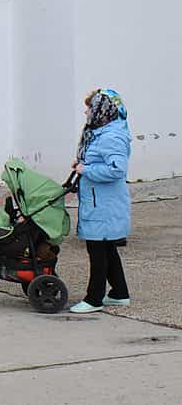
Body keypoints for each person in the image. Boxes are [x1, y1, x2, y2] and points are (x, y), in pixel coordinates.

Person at [70, 89, 132, 313]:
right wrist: (82, 163)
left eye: (89, 106)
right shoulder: (100, 132)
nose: (85, 111)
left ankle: (94, 298)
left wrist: (86, 169)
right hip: (100, 200)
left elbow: (117, 169)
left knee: (97, 250)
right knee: (106, 248)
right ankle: (119, 292)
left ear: (101, 110)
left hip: (104, 203)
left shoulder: (110, 137)